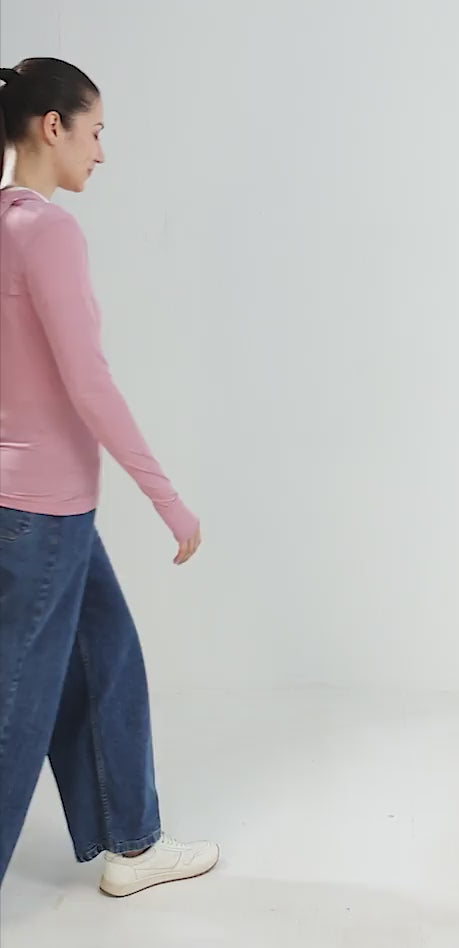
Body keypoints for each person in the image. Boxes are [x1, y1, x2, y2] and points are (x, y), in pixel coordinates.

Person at [0, 58, 219, 897]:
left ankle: (134, 843)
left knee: (109, 657)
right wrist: (169, 503)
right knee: (18, 706)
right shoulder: (47, 231)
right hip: (45, 512)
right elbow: (89, 385)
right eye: (94, 131)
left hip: (35, 508)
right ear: (52, 126)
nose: (101, 151)